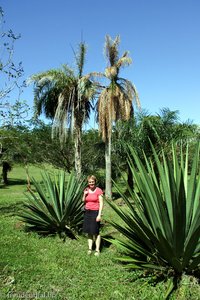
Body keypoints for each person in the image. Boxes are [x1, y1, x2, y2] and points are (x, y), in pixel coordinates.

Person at [82, 175, 103, 256]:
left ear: (95, 182)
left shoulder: (98, 190)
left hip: (95, 212)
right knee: (89, 232)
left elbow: (101, 203)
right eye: (90, 182)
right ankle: (90, 248)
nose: (91, 183)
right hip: (87, 212)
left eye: (92, 182)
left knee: (96, 232)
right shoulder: (86, 189)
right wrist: (84, 194)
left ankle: (97, 249)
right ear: (88, 182)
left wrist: (99, 214)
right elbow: (83, 201)